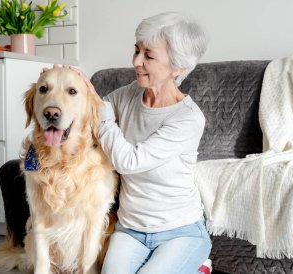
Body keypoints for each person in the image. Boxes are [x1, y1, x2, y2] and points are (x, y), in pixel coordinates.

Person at [82, 11, 211, 274]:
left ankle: (197, 265)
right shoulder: (130, 93)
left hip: (181, 232)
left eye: (149, 55)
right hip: (131, 230)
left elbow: (129, 161)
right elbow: (94, 105)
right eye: (136, 50)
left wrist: (103, 117)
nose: (136, 61)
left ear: (178, 68)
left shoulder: (188, 118)